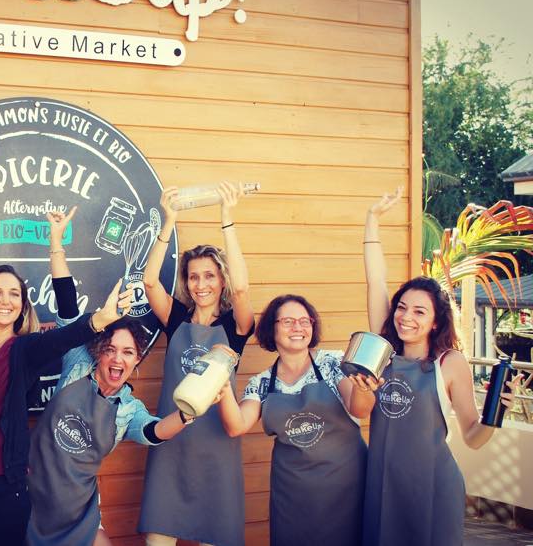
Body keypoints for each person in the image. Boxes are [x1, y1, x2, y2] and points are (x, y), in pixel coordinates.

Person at [0, 172, 131, 546]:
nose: (5, 301)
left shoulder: (25, 350)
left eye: (14, 295)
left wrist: (102, 319)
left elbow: (69, 334)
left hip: (1, 493)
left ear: (22, 306)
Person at [362, 187, 522, 546]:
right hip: (383, 485)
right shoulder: (383, 351)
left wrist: (496, 414)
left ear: (435, 321)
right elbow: (375, 280)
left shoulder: (449, 363)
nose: (406, 317)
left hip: (433, 487)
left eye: (419, 311)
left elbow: (472, 437)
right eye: (401, 307)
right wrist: (372, 219)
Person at [26, 211, 195, 546]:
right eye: (111, 349)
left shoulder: (128, 409)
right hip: (32, 490)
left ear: (136, 360)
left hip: (78, 505)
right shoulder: (77, 361)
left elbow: (154, 432)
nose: (118, 358)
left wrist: (186, 414)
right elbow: (66, 303)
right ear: (99, 350)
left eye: (128, 352)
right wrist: (56, 242)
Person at [136, 183, 255, 546]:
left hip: (216, 453)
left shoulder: (235, 327)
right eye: (193, 276)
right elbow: (149, 281)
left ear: (221, 279)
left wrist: (227, 218)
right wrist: (168, 222)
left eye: (209, 275)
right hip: (171, 446)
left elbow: (242, 290)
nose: (201, 284)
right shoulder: (176, 318)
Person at [218, 294, 376, 546]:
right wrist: (223, 385)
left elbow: (359, 409)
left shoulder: (332, 362)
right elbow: (236, 426)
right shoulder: (262, 382)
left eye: (305, 321)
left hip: (347, 486)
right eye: (288, 321)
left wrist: (363, 388)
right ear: (272, 328)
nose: (298, 327)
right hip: (292, 494)